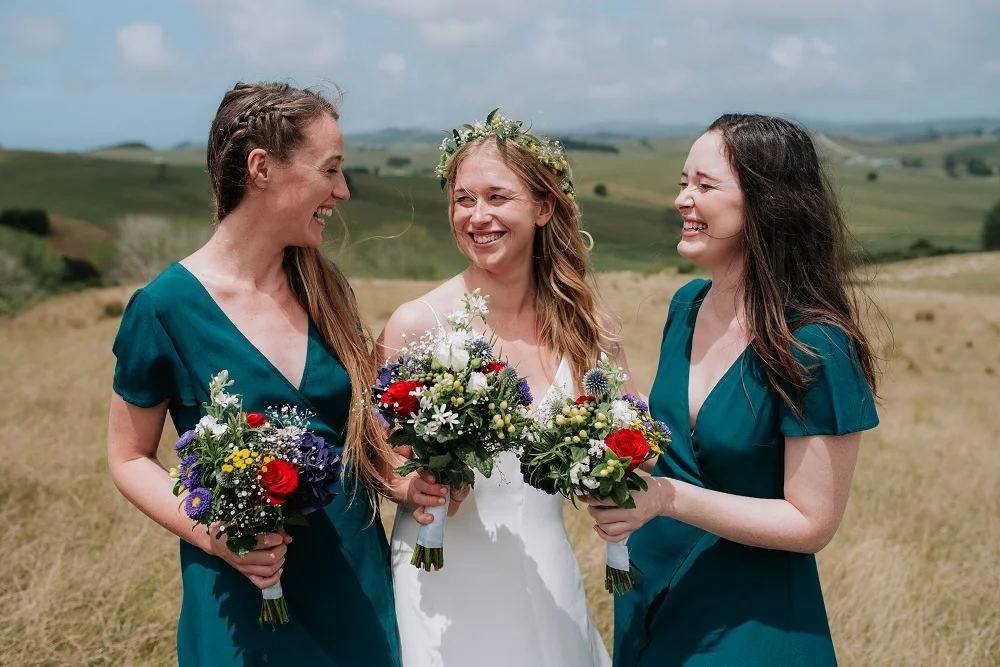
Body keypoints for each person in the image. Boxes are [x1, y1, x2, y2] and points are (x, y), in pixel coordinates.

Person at [106, 81, 434, 666]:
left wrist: (401, 483)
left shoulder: (327, 288)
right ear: (261, 168)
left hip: (354, 590)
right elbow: (129, 457)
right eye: (329, 169)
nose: (343, 190)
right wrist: (220, 538)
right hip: (245, 597)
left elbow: (353, 428)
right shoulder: (163, 309)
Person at [588, 113, 882, 666]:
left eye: (705, 185)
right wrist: (611, 358)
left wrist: (668, 499)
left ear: (766, 204)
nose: (683, 199)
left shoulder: (816, 345)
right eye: (682, 182)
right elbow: (667, 448)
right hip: (651, 598)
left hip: (751, 620)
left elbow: (811, 523)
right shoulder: (687, 306)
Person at [379, 112, 630, 666]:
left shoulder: (590, 330)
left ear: (543, 208)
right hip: (441, 579)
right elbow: (372, 453)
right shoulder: (416, 325)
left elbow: (638, 442)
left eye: (497, 197)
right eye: (463, 199)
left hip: (547, 574)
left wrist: (618, 484)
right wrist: (407, 488)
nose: (478, 216)